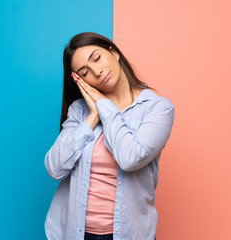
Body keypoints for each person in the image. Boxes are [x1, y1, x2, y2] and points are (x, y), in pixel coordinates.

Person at [44, 32, 175, 240]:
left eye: (96, 58)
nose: (96, 72)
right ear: (80, 81)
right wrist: (92, 116)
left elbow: (130, 158)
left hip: (129, 234)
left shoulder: (157, 108)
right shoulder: (80, 111)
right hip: (76, 233)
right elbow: (54, 167)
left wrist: (103, 106)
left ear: (113, 53)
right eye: (85, 72)